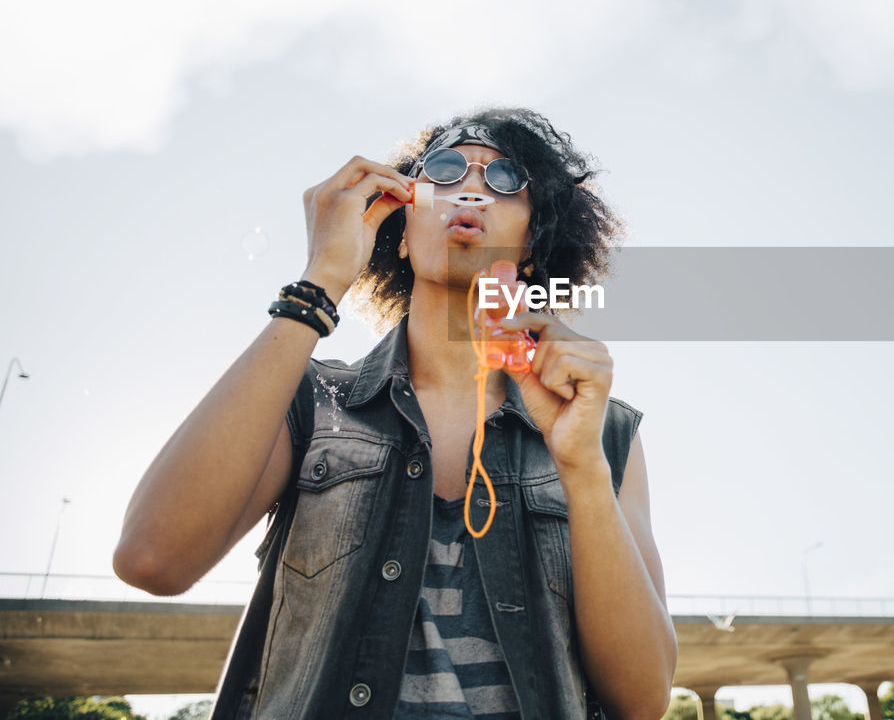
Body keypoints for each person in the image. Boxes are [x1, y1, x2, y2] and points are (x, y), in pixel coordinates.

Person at [113, 108, 677, 719]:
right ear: (402, 233)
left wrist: (581, 467)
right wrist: (320, 281)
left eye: (506, 179)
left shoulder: (604, 431)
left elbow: (643, 700)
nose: (470, 188)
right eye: (444, 168)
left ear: (534, 247)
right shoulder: (309, 400)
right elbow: (153, 560)